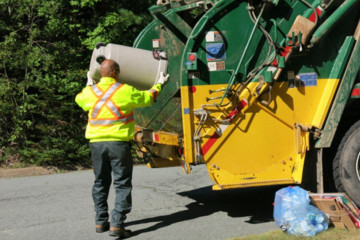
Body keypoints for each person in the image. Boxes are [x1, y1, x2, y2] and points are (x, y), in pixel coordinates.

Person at [75, 59, 169, 238]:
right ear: (115, 72)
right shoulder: (125, 90)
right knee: (122, 184)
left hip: (96, 144)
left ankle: (101, 222)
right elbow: (148, 98)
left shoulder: (91, 92)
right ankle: (117, 224)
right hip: (118, 144)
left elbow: (79, 99)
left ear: (101, 73)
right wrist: (159, 84)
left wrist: (88, 84)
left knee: (100, 182)